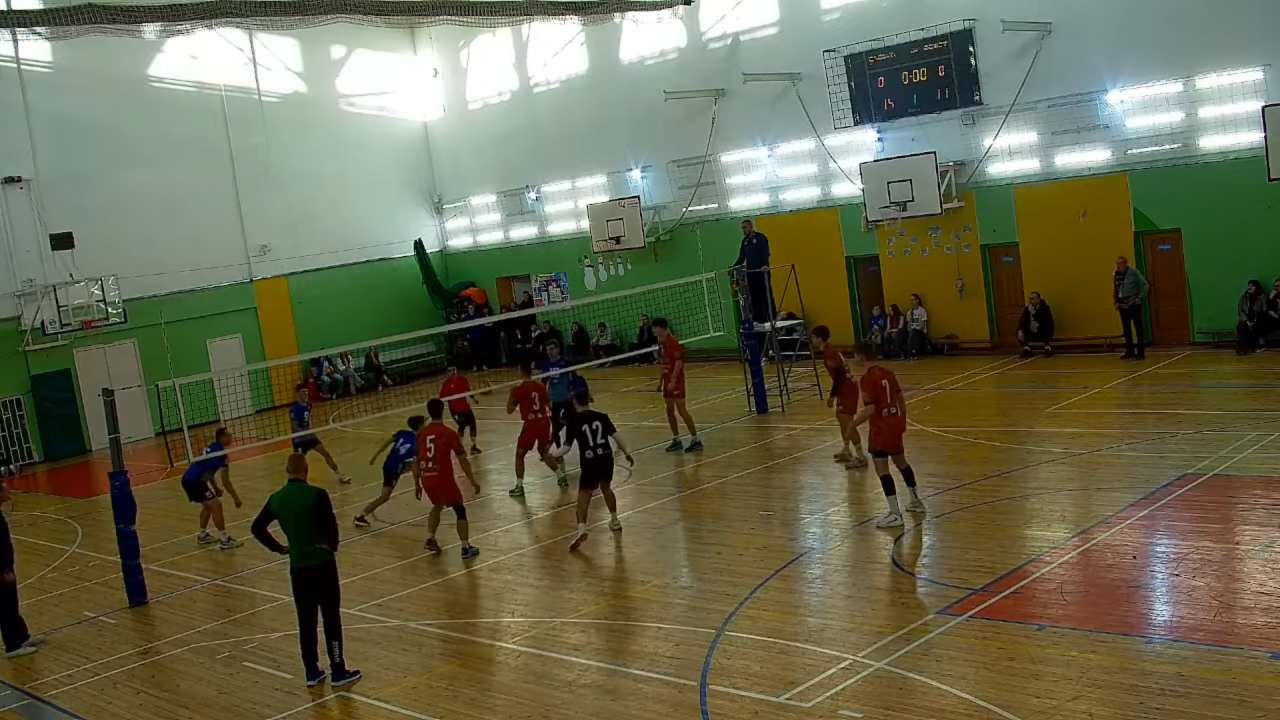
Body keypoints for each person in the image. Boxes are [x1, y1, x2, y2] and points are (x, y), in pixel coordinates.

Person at [251, 453, 361, 688]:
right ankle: (338, 669)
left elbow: (257, 528)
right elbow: (331, 525)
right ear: (306, 469)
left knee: (306, 620)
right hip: (322, 564)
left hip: (298, 567)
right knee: (331, 617)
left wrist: (279, 548)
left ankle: (311, 671)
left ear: (286, 470)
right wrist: (331, 545)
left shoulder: (276, 499)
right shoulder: (317, 494)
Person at [849, 342, 925, 528]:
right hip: (894, 422)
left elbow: (869, 409)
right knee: (901, 462)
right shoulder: (888, 373)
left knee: (882, 468)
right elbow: (900, 399)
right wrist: (902, 420)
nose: (855, 360)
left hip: (880, 427)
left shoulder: (867, 379)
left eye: (855, 356)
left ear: (861, 356)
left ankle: (895, 514)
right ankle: (916, 501)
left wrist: (852, 425)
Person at [552, 392, 634, 551]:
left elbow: (565, 448)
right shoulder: (602, 417)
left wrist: (552, 455)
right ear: (587, 401)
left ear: (575, 403)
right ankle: (615, 520)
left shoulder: (574, 421)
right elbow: (616, 436)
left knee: (584, 494)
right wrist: (627, 452)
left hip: (590, 461)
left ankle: (582, 528)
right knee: (606, 488)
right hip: (606, 458)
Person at [416, 399, 481, 559]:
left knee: (437, 505)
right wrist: (472, 479)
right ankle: (465, 548)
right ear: (443, 410)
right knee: (459, 510)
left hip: (426, 477)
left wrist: (417, 483)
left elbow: (416, 460)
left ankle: (430, 538)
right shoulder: (448, 433)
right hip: (442, 478)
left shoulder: (421, 434)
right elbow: (462, 458)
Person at [811, 326, 868, 469]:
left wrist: (832, 395)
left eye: (813, 337)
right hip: (845, 389)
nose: (811, 339)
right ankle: (846, 450)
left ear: (819, 338)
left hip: (847, 390)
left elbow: (839, 376)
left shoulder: (829, 353)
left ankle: (861, 456)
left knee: (848, 422)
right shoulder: (831, 350)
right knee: (841, 419)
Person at [507, 363, 567, 497]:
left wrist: (511, 395)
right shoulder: (540, 386)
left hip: (531, 424)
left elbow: (509, 410)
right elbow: (549, 403)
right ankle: (561, 477)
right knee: (544, 451)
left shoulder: (519, 389)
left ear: (520, 371)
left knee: (520, 454)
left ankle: (519, 486)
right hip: (545, 422)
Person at [353, 415, 425, 528]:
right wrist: (417, 484)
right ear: (420, 426)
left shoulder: (402, 433)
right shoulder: (417, 444)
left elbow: (387, 442)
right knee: (384, 496)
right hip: (393, 470)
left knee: (418, 464)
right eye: (424, 424)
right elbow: (414, 465)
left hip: (388, 464)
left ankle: (362, 515)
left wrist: (375, 456)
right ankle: (360, 516)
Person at [181, 428, 244, 549]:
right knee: (216, 505)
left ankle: (203, 535)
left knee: (208, 507)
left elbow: (208, 471)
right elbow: (226, 482)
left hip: (190, 479)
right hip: (195, 482)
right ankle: (225, 540)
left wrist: (215, 487)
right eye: (228, 435)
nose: (231, 437)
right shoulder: (221, 454)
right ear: (222, 437)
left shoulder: (213, 447)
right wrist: (236, 498)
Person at [0, 481, 38, 658]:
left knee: (12, 603)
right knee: (5, 605)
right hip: (2, 569)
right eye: (5, 491)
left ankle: (21, 636)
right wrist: (4, 569)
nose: (9, 495)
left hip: (6, 566)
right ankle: (12, 646)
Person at [653, 318, 702, 453]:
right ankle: (676, 439)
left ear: (662, 328)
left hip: (676, 381)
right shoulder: (660, 343)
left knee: (682, 410)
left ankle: (696, 439)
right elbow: (663, 364)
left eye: (655, 328)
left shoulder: (673, 342)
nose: (653, 330)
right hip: (667, 381)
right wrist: (660, 382)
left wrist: (673, 381)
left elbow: (679, 363)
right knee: (669, 411)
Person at [291, 384, 351, 484]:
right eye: (303, 392)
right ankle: (298, 483)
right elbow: (294, 427)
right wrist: (303, 431)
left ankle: (340, 475)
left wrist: (310, 429)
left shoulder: (309, 405)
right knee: (299, 464)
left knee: (326, 453)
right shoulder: (295, 410)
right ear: (297, 394)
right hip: (299, 440)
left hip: (309, 436)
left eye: (306, 391)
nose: (306, 394)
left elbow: (307, 419)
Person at [539, 342, 577, 466]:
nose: (550, 352)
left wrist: (573, 392)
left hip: (567, 400)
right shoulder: (545, 365)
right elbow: (543, 383)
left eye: (552, 349)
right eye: (548, 350)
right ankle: (559, 453)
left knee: (575, 423)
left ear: (557, 349)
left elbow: (574, 377)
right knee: (555, 429)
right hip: (554, 401)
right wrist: (545, 399)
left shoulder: (566, 362)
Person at [730, 219, 774, 324]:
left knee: (766, 294)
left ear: (750, 226)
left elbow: (765, 252)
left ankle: (772, 316)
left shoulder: (760, 238)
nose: (743, 230)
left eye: (745, 227)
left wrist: (764, 265)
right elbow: (741, 257)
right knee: (754, 296)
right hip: (751, 273)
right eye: (742, 228)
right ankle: (759, 319)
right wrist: (734, 267)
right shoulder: (745, 241)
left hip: (762, 272)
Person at [1114, 256, 1150, 361]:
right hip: (1122, 304)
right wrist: (1115, 301)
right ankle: (1129, 350)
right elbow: (1116, 289)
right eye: (1117, 264)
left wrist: (1139, 297)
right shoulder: (1116, 275)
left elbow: (1145, 285)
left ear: (1125, 264)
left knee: (1138, 328)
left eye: (1120, 264)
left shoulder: (1133, 273)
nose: (1118, 266)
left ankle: (1140, 352)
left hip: (1133, 303)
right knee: (1126, 329)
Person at [440, 366, 481, 455]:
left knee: (473, 425)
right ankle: (460, 448)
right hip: (455, 410)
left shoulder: (462, 379)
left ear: (456, 370)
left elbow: (468, 390)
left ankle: (473, 447)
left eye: (454, 370)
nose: (452, 372)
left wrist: (473, 398)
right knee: (462, 425)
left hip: (466, 408)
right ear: (447, 372)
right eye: (450, 371)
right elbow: (442, 397)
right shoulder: (446, 384)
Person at [1017, 292, 1056, 358]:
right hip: (1031, 330)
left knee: (1047, 327)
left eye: (1032, 299)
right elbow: (1022, 320)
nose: (1030, 301)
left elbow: (1047, 321)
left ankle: (1047, 348)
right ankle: (1027, 349)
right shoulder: (1028, 308)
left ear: (1038, 300)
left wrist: (1034, 314)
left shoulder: (1045, 308)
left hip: (1041, 330)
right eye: (1030, 299)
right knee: (1020, 330)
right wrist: (1020, 330)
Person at [1237, 279, 1268, 355]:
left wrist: (1254, 321)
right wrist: (1247, 321)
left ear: (1257, 287)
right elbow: (1240, 311)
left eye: (1252, 286)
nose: (1249, 288)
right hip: (1246, 320)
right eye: (1249, 286)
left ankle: (1251, 346)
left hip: (1257, 320)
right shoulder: (1244, 297)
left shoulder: (1262, 297)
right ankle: (1242, 348)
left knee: (1255, 327)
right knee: (1242, 326)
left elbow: (1264, 310)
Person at [905, 294, 929, 359]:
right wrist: (909, 331)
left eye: (913, 300)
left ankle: (910, 352)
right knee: (910, 333)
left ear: (917, 300)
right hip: (911, 332)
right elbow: (908, 325)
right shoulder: (909, 312)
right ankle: (910, 352)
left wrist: (914, 330)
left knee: (913, 332)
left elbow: (922, 325)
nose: (911, 302)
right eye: (910, 300)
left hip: (920, 332)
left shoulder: (922, 311)